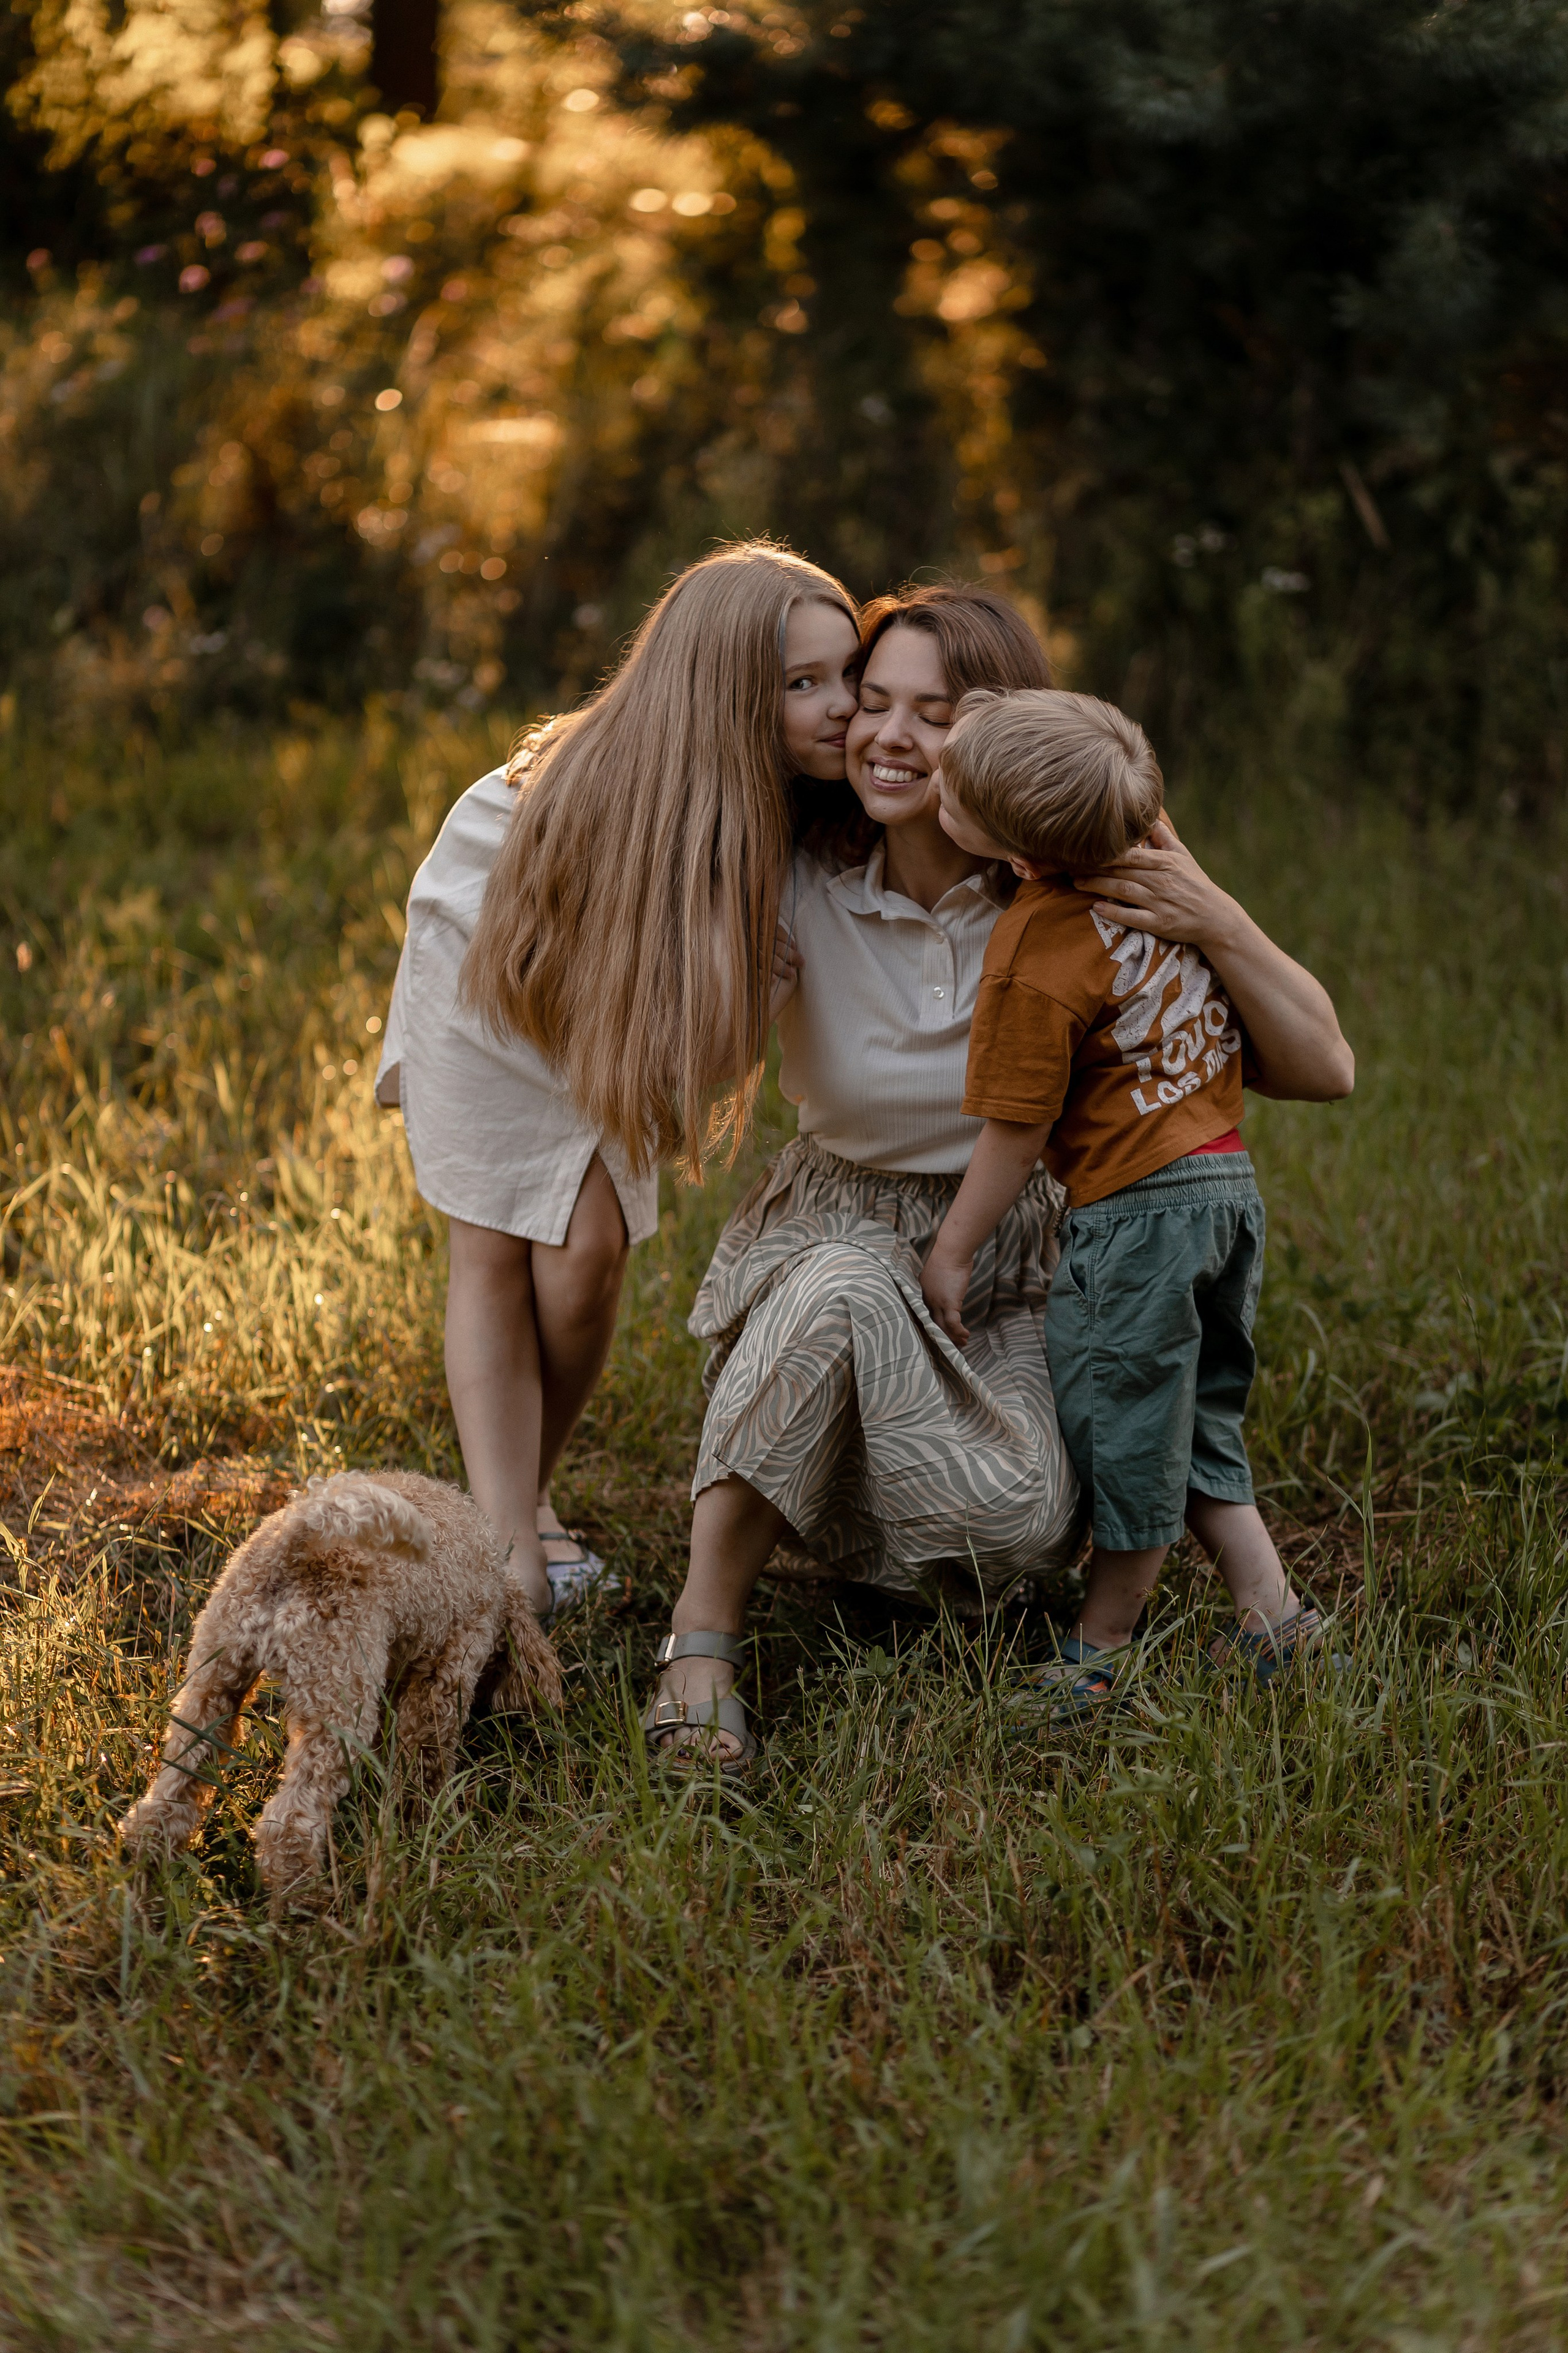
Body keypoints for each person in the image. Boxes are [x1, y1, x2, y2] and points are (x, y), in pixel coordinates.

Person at [640, 585, 1086, 1776]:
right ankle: (702, 1640)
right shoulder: (798, 877)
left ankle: (862, 1536)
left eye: (931, 713)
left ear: (995, 731)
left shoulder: (1057, 905)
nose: (885, 734)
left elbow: (1304, 1057)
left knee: (1025, 1526)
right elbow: (691, 1068)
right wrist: (730, 978)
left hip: (1002, 1259)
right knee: (841, 1287)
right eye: (871, 702)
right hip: (831, 1225)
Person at [377, 542, 860, 1627]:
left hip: (616, 1018)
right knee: (495, 1242)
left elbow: (697, 1070)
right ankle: (509, 1550)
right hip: (492, 975)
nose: (839, 707)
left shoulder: (793, 814)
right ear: (729, 691)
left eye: (846, 676)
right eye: (802, 683)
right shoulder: (598, 785)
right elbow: (529, 969)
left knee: (587, 1255)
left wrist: (743, 994)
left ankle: (519, 1493)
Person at [919, 686, 1355, 1716]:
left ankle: (1102, 1644)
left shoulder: (1034, 948)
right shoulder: (1157, 889)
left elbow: (1019, 1129)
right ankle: (1274, 1615)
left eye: (956, 789)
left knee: (1123, 1424)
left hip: (1135, 1211)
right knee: (1193, 1414)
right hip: (1223, 1183)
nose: (935, 774)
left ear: (1022, 853)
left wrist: (954, 1246)